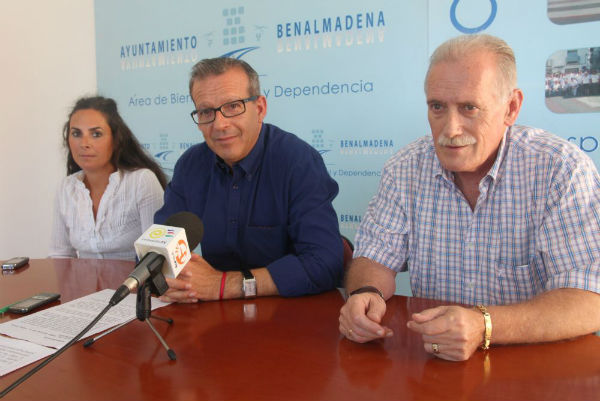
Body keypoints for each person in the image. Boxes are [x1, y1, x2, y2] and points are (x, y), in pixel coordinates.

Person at [338, 34, 600, 361]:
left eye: (469, 107)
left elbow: (590, 300)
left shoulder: (560, 170)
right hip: (434, 365)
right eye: (437, 107)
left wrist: (484, 326)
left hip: (534, 367)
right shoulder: (404, 169)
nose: (450, 129)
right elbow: (374, 257)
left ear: (511, 107)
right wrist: (366, 293)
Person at [155, 57, 342, 301]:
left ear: (260, 108)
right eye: (206, 111)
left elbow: (325, 263)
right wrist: (166, 280)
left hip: (290, 313)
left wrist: (224, 285)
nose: (220, 124)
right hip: (215, 316)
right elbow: (157, 248)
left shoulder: (298, 161)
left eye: (233, 106)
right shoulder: (191, 165)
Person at [49, 96, 166, 260]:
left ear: (116, 140)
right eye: (76, 133)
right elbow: (60, 256)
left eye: (96, 134)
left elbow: (158, 257)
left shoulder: (142, 181)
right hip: (84, 285)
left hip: (135, 284)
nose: (84, 143)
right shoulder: (66, 188)